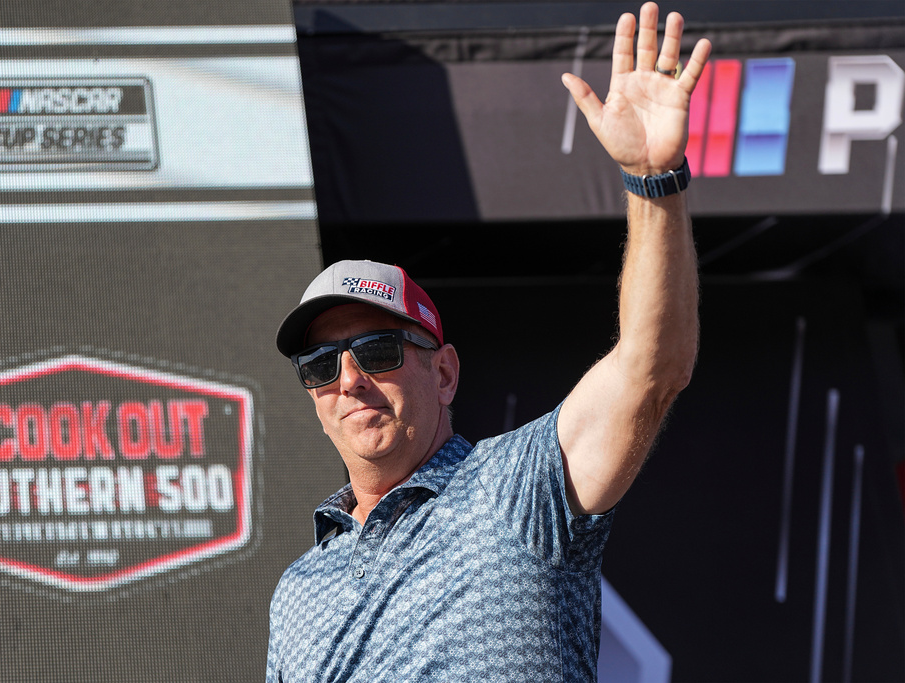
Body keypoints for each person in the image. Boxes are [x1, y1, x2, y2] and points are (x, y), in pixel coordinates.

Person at [267, 3, 711, 680]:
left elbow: (651, 371)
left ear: (444, 373)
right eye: (321, 365)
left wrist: (653, 183)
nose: (349, 380)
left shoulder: (516, 488)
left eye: (379, 352)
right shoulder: (299, 588)